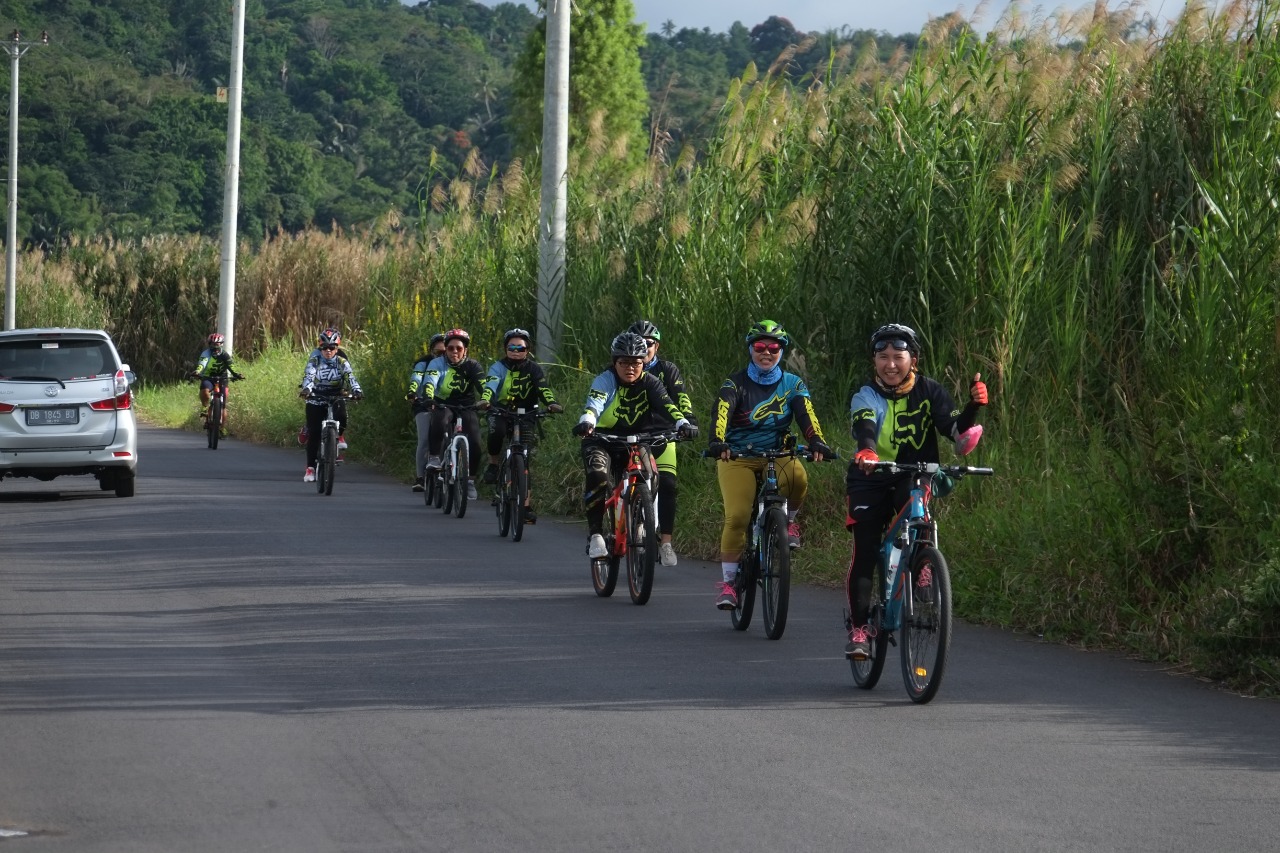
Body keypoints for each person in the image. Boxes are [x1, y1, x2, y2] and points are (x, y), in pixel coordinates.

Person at [842, 323, 988, 661]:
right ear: (874, 360)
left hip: (915, 472)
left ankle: (923, 562)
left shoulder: (931, 390)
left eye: (898, 357)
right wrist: (866, 450)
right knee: (865, 550)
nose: (890, 364)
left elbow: (954, 429)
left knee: (918, 508)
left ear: (914, 360)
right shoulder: (866, 393)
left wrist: (973, 407)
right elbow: (865, 423)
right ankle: (860, 629)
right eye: (883, 357)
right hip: (870, 475)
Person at [707, 320, 831, 610]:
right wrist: (718, 442)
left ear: (782, 351)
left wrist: (817, 442)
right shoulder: (734, 383)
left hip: (777, 452)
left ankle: (788, 522)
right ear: (750, 349)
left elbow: (806, 416)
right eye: (759, 347)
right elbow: (720, 414)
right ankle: (729, 584)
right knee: (737, 516)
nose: (766, 352)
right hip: (737, 456)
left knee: (799, 478)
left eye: (773, 347)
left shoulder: (792, 384)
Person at [573, 331, 697, 559]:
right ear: (614, 362)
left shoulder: (651, 381)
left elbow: (666, 404)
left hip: (637, 438)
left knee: (651, 476)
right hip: (601, 437)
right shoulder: (605, 379)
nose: (630, 368)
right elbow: (595, 403)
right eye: (624, 362)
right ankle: (596, 535)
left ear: (644, 363)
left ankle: (642, 520)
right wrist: (588, 420)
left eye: (636, 363)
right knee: (598, 475)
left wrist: (682, 422)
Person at [477, 328, 564, 523]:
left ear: (528, 349)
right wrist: (485, 400)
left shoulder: (534, 368)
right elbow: (490, 385)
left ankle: (525, 506)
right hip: (501, 411)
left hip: (527, 414)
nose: (516, 351)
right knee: (496, 432)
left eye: (521, 347)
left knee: (524, 461)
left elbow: (543, 388)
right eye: (512, 347)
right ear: (505, 348)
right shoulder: (497, 367)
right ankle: (493, 464)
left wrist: (551, 403)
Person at [629, 319, 696, 567]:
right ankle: (629, 522)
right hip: (633, 435)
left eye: (649, 344)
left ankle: (666, 542)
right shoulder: (625, 368)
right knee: (631, 479)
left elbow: (681, 397)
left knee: (668, 484)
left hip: (664, 434)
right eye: (639, 344)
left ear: (657, 346)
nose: (644, 348)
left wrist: (688, 420)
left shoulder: (667, 369)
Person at [422, 328, 486, 501]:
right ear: (446, 349)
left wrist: (486, 400)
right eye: (450, 348)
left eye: (458, 348)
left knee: (475, 443)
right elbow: (430, 382)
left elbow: (483, 385)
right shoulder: (437, 363)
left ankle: (470, 481)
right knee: (439, 418)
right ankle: (435, 458)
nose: (454, 352)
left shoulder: (473, 365)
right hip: (443, 403)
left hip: (467, 406)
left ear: (465, 350)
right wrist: (428, 396)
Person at [298, 328, 363, 483]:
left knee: (341, 416)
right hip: (316, 396)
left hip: (335, 395)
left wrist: (357, 390)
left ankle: (337, 437)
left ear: (337, 348)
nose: (328, 351)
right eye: (324, 348)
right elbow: (309, 374)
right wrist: (307, 388)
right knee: (314, 432)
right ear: (320, 348)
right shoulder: (315, 359)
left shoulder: (341, 361)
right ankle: (310, 468)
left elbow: (350, 376)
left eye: (332, 348)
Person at [406, 332, 447, 492]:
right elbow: (416, 378)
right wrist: (413, 391)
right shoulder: (423, 363)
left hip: (444, 406)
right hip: (423, 404)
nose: (441, 356)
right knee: (424, 440)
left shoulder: (451, 365)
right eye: (437, 352)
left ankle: (448, 472)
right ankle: (420, 477)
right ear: (431, 351)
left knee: (446, 439)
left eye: (445, 352)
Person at [191, 333, 243, 433]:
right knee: (205, 390)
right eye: (213, 344)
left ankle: (222, 429)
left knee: (223, 405)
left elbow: (231, 366)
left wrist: (237, 374)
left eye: (218, 344)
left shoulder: (224, 354)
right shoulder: (206, 354)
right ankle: (204, 407)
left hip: (222, 378)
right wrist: (197, 372)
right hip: (208, 377)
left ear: (221, 344)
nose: (215, 347)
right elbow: (202, 364)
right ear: (209, 344)